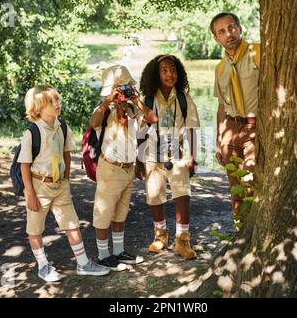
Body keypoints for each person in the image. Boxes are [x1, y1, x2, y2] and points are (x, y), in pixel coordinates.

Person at [18, 85, 110, 282]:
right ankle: (43, 266)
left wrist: (66, 177)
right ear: (37, 107)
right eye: (51, 102)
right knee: (35, 228)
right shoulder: (32, 132)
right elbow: (24, 165)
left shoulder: (62, 127)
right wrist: (31, 193)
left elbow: (66, 153)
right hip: (38, 185)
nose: (57, 104)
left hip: (60, 185)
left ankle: (83, 263)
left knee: (72, 223)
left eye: (57, 100)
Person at [89, 65, 157, 271]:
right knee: (104, 212)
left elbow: (153, 119)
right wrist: (108, 101)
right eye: (118, 89)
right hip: (110, 167)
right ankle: (103, 255)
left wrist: (136, 100)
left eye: (125, 88)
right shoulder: (104, 108)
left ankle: (118, 252)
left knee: (121, 212)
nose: (121, 93)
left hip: (128, 168)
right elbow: (94, 123)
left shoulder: (132, 110)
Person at [137, 55, 200, 260]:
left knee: (182, 196)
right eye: (164, 70)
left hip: (178, 154)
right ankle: (160, 235)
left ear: (178, 73)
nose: (169, 74)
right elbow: (139, 133)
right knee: (155, 196)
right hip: (152, 156)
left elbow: (191, 130)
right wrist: (138, 160)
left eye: (173, 70)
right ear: (156, 74)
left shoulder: (183, 99)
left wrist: (193, 157)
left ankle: (182, 240)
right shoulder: (147, 100)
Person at [210, 12, 260, 215]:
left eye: (231, 28)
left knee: (251, 185)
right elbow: (222, 106)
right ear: (216, 38)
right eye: (221, 31)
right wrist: (218, 139)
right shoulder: (220, 68)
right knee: (235, 190)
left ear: (239, 29)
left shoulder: (258, 52)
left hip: (254, 127)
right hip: (230, 130)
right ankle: (240, 235)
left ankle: (256, 233)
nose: (228, 34)